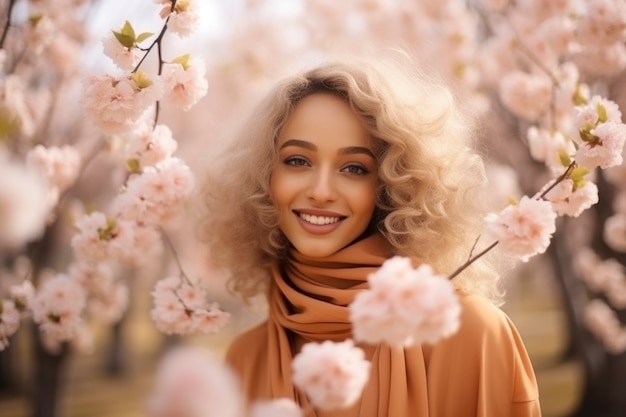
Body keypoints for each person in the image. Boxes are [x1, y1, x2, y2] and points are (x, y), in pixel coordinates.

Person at [198, 54, 542, 417]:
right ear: (266, 176)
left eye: (354, 168)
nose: (321, 191)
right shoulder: (245, 360)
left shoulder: (474, 335)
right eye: (298, 160)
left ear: (392, 185)